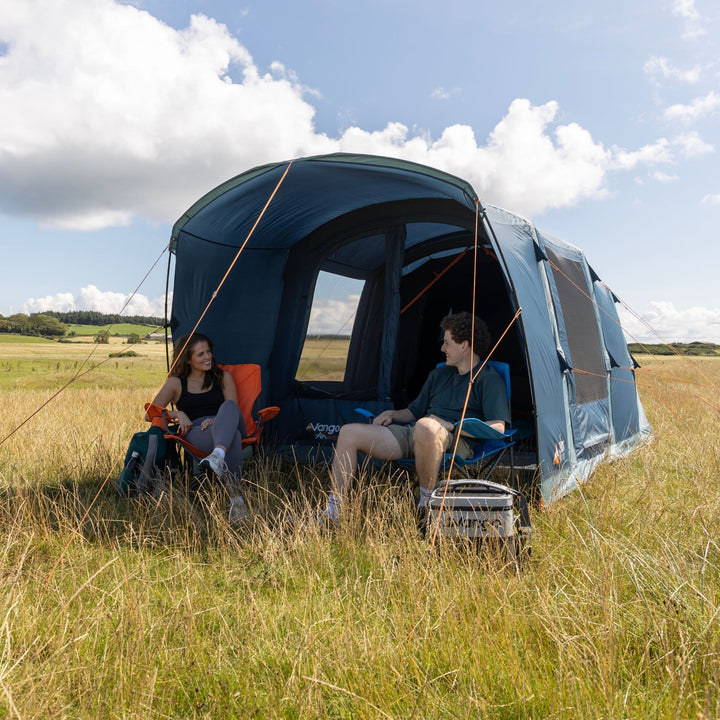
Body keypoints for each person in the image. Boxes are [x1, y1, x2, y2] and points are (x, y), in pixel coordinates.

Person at [322, 312, 510, 525]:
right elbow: (413, 412)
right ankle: (333, 513)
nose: (442, 349)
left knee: (427, 426)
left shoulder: (488, 379)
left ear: (464, 346)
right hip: (416, 432)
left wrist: (451, 426)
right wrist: (392, 414)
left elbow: (498, 428)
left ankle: (426, 506)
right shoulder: (439, 375)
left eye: (447, 343)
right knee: (349, 432)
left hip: (456, 442)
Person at [147, 333, 248, 524]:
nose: (207, 357)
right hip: (197, 431)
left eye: (208, 352)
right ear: (188, 360)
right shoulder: (175, 383)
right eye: (200, 354)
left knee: (229, 410)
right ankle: (237, 503)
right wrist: (177, 414)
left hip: (227, 421)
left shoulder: (222, 377)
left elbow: (233, 408)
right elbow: (150, 413)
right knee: (232, 436)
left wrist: (216, 419)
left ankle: (217, 455)